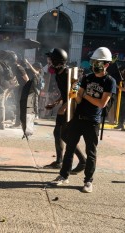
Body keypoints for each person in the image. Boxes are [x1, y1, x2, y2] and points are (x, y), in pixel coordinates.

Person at [51, 47, 116, 193]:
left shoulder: (109, 81)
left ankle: (88, 181)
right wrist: (75, 92)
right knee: (70, 149)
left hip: (93, 120)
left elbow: (101, 103)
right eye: (94, 61)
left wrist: (84, 94)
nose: (94, 64)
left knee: (91, 152)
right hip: (78, 118)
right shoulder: (87, 77)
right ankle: (63, 175)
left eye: (98, 62)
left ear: (106, 64)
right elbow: (79, 100)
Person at [43, 48, 86, 173]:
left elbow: (74, 92)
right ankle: (59, 161)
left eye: (51, 60)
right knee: (58, 133)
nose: (49, 62)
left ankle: (83, 161)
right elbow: (65, 92)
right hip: (65, 107)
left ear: (57, 61)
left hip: (72, 108)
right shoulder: (58, 74)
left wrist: (64, 106)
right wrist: (56, 102)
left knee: (65, 136)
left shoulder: (69, 74)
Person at [8, 51, 29, 128]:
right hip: (19, 88)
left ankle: (18, 123)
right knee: (18, 106)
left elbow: (27, 79)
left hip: (22, 89)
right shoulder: (13, 67)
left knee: (20, 106)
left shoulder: (19, 67)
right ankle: (18, 123)